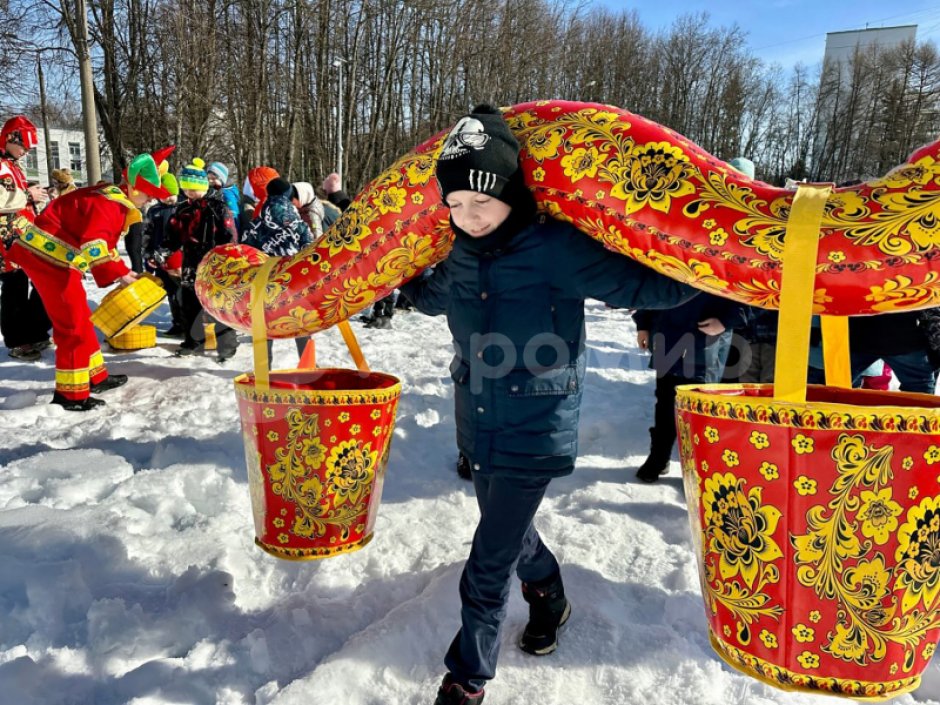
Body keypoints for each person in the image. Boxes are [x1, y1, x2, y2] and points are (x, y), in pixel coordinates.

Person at [399, 105, 696, 705]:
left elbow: (643, 284)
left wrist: (721, 271)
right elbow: (433, 296)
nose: (467, 217)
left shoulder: (555, 247)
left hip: (536, 421)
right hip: (475, 418)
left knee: (488, 561)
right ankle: (550, 595)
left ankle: (466, 680)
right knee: (510, 533)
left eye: (479, 203)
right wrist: (392, 281)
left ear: (512, 193)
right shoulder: (460, 252)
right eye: (454, 205)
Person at [11, 148, 174, 410]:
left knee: (81, 317)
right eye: (148, 195)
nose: (149, 201)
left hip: (57, 258)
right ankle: (71, 394)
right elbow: (94, 244)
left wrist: (122, 270)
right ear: (133, 188)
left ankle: (96, 376)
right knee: (71, 325)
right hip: (48, 259)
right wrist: (119, 275)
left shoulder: (111, 197)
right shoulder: (109, 205)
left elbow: (104, 245)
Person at [632, 294, 747, 483]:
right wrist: (643, 324)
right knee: (665, 401)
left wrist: (726, 321)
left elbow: (746, 289)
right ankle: (659, 456)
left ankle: (699, 467)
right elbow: (653, 285)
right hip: (668, 334)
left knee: (701, 410)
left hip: (706, 341)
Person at [163, 158, 240, 361]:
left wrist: (226, 259)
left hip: (215, 262)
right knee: (188, 302)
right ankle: (193, 341)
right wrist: (164, 252)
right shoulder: (183, 208)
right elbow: (173, 235)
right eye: (186, 189)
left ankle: (227, 345)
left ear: (203, 186)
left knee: (218, 305)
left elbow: (230, 235)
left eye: (193, 189)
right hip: (190, 261)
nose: (188, 193)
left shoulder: (218, 207)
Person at [0, 120, 54, 362]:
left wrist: (35, 195)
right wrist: (26, 195)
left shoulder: (12, 165)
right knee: (14, 289)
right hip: (6, 240)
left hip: (23, 235)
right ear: (10, 139)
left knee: (40, 281)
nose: (26, 152)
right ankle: (18, 341)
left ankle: (34, 331)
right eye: (23, 146)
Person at [243, 176, 313, 361]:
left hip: (265, 279)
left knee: (263, 323)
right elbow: (310, 249)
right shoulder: (299, 223)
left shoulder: (257, 223)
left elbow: (246, 249)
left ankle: (264, 371)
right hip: (294, 279)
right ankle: (308, 365)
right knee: (301, 322)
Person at [143, 172, 184, 335]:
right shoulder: (154, 211)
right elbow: (147, 234)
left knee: (183, 292)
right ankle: (177, 323)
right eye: (165, 195)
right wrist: (148, 255)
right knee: (171, 292)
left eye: (172, 195)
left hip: (180, 259)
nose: (169, 199)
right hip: (159, 258)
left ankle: (189, 324)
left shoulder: (183, 208)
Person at [206, 161, 243, 236]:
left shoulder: (227, 194)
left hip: (228, 230)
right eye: (208, 178)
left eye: (213, 178)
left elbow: (234, 214)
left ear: (222, 179)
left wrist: (234, 234)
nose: (210, 181)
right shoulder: (214, 191)